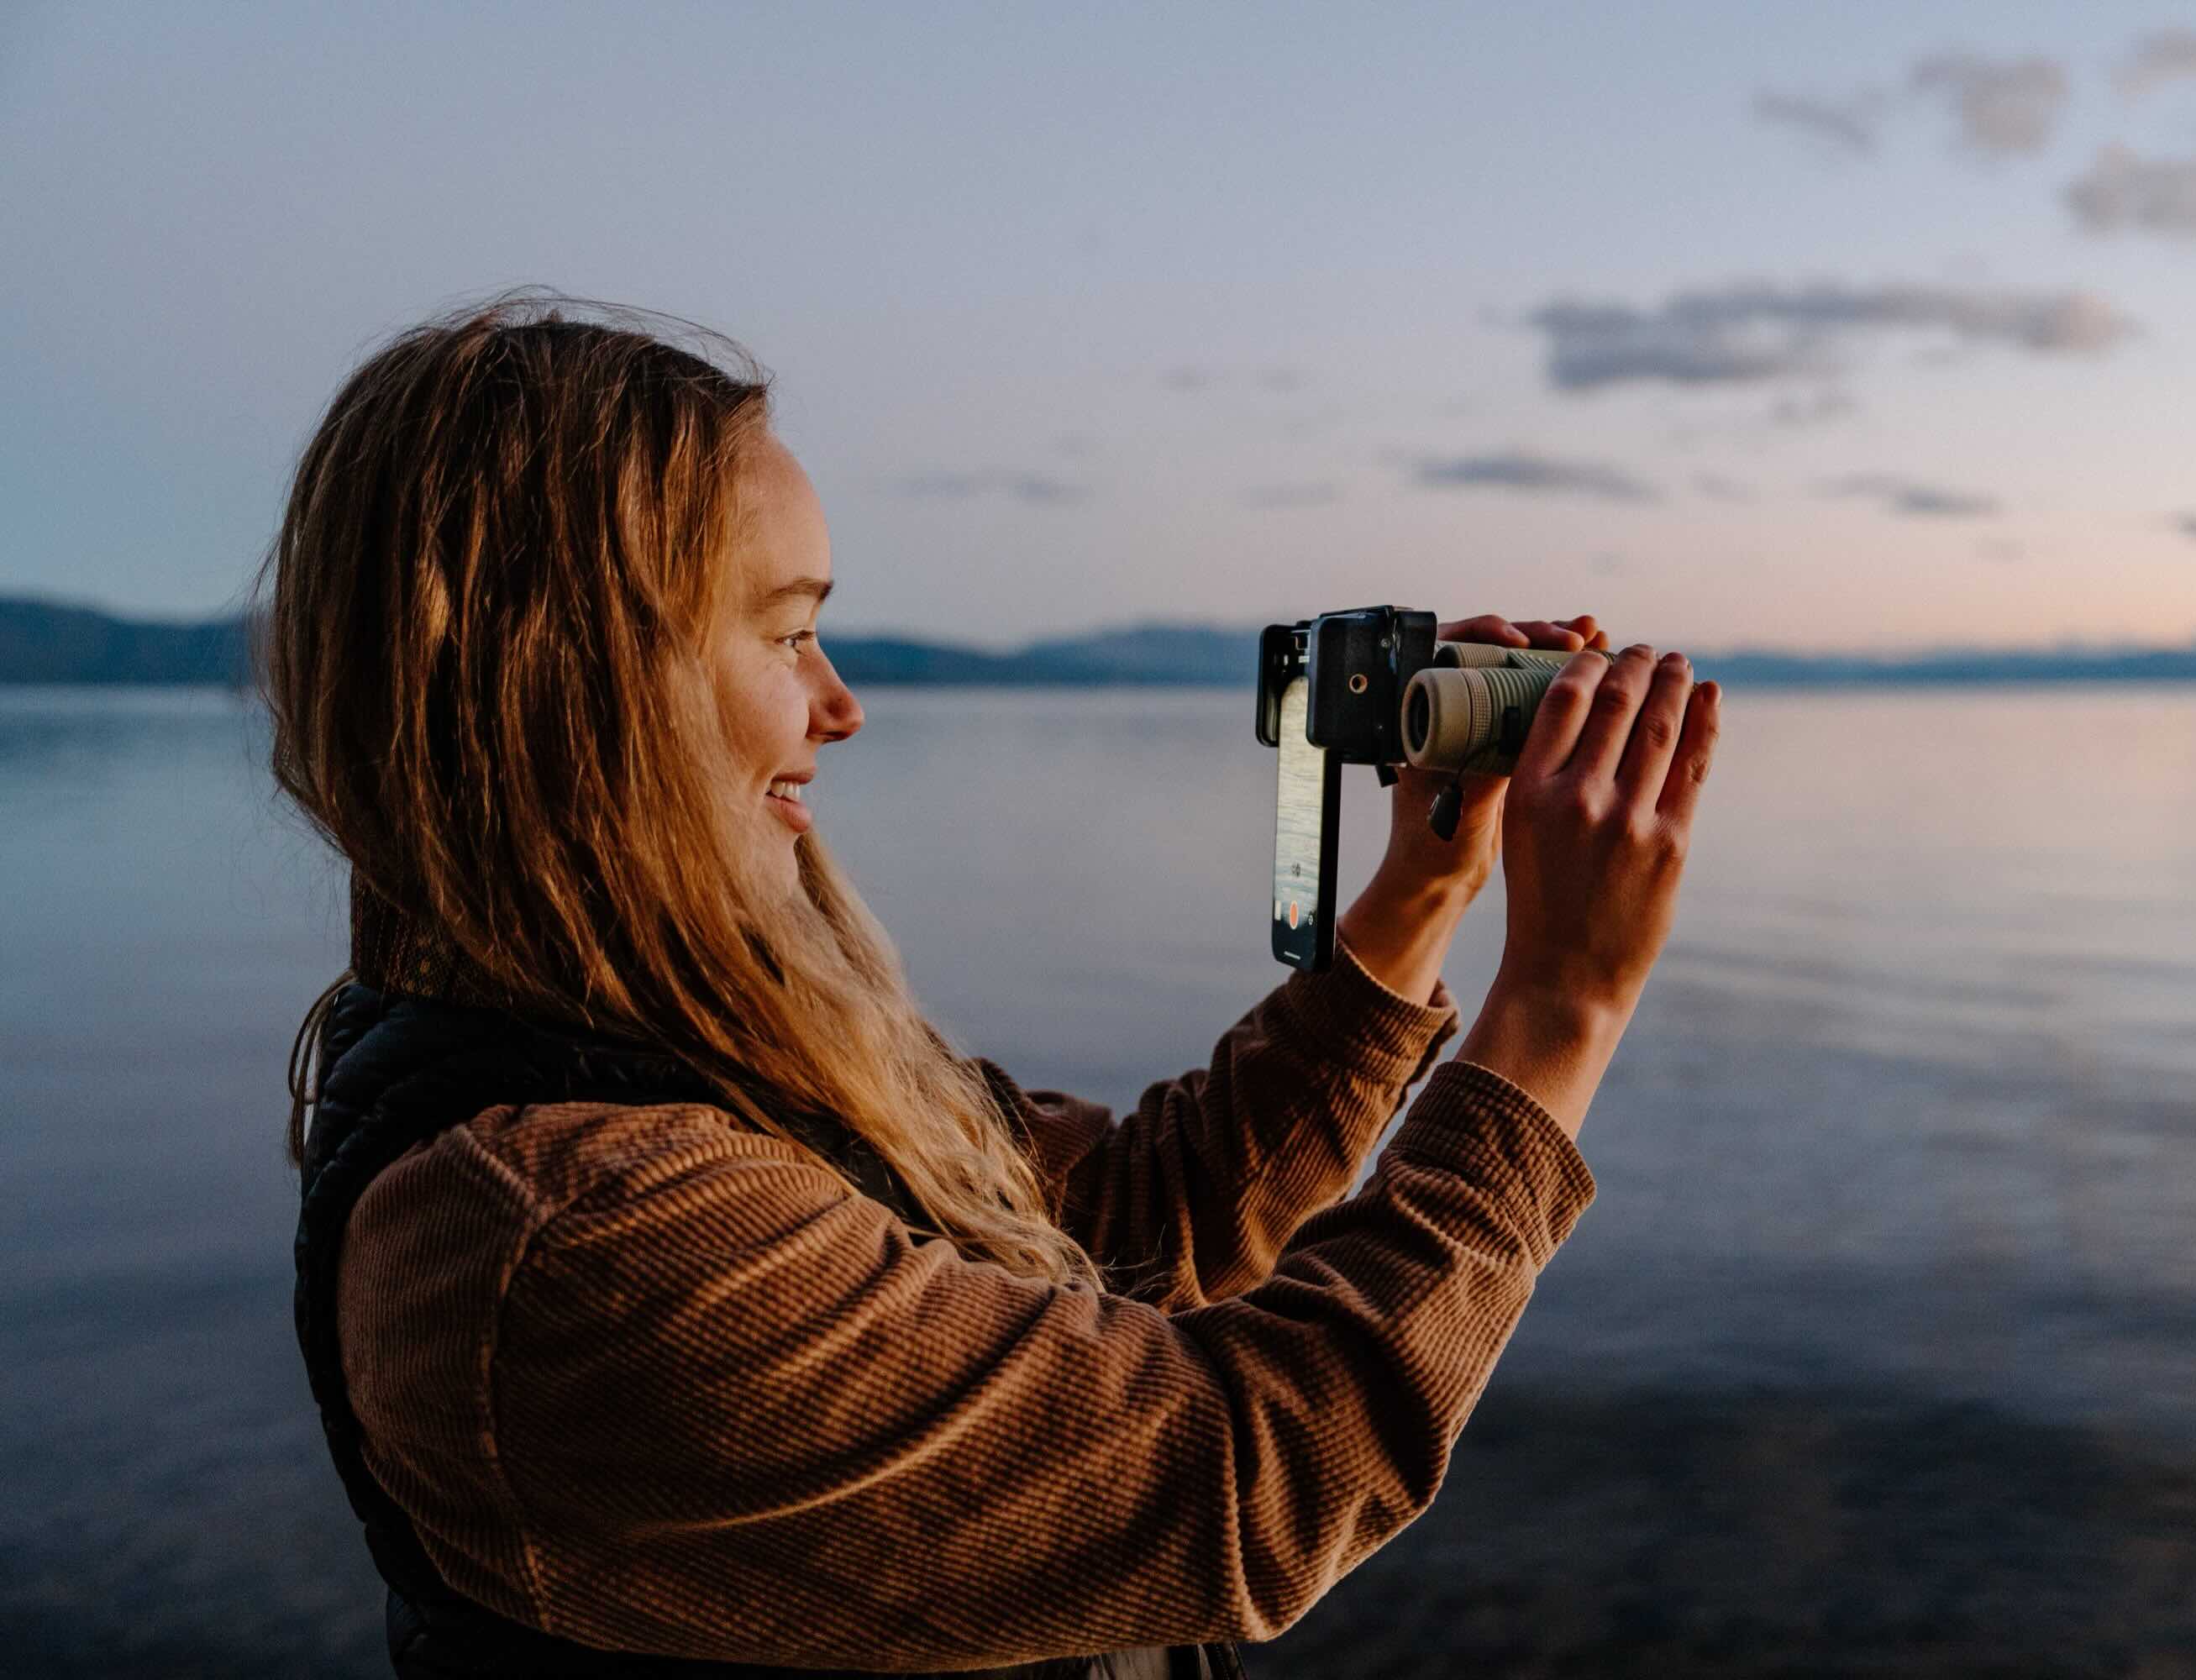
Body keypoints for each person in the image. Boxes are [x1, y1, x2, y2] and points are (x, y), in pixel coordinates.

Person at [263, 290, 1722, 1680]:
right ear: (567, 679)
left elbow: (1134, 1222)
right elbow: (1250, 1468)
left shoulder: (681, 1052)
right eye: (785, 632)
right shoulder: (567, 1232)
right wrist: (1561, 1013)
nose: (842, 706)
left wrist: (1426, 889)